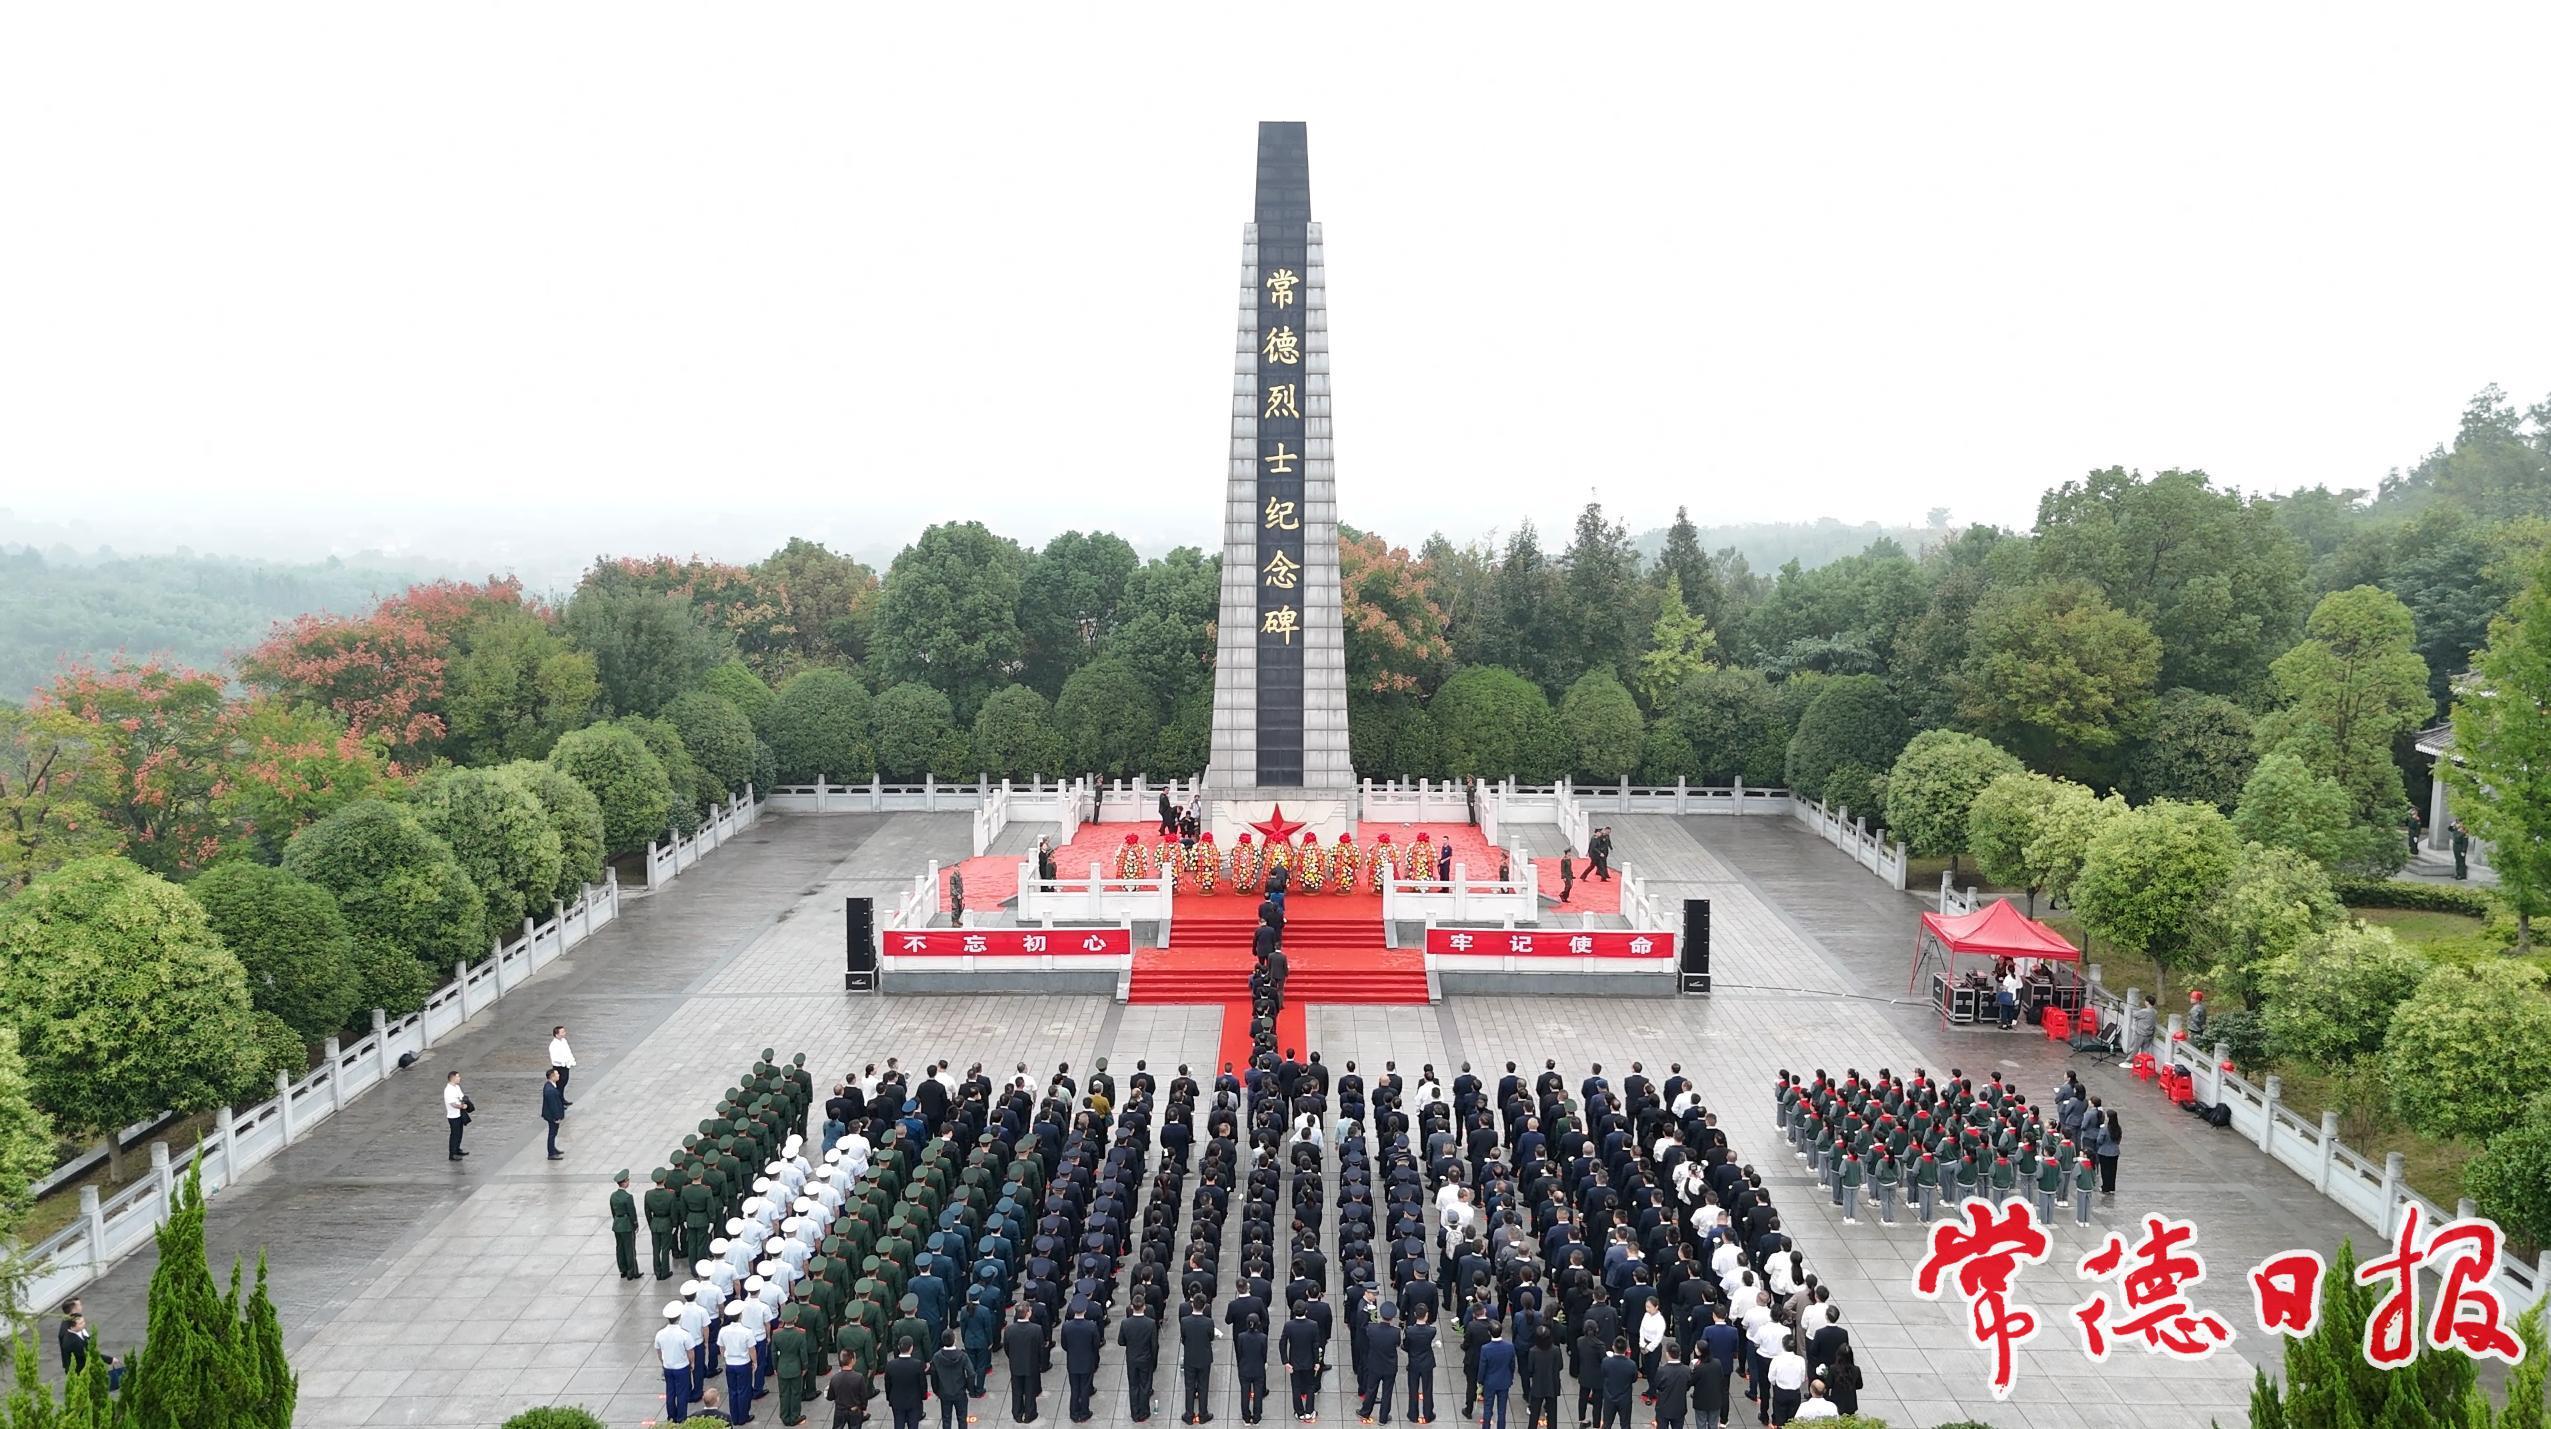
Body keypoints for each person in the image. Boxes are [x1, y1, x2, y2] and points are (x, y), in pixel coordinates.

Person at [1123, 1291, 1164, 1421]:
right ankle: (1144, 1411)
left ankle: (1135, 1413)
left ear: (1132, 1307)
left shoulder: (1125, 1323)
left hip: (1132, 1358)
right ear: (1144, 1307)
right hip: (1145, 1358)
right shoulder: (1150, 1323)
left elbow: (1121, 1341)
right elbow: (1154, 1344)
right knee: (1145, 1385)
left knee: (1133, 1386)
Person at [659, 1302, 699, 1425]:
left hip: (668, 1367)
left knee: (670, 1393)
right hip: (681, 1367)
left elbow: (658, 1351)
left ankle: (671, 1417)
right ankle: (681, 1418)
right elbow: (690, 1351)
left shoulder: (660, 1333)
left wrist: (663, 1362)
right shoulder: (684, 1334)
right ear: (679, 1317)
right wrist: (692, 1363)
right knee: (682, 1393)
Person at [1181, 1292, 1218, 1425]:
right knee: (1203, 1386)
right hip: (1204, 1358)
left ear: (1192, 1305)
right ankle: (1203, 1414)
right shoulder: (1208, 1322)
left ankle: (1189, 1414)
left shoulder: (1185, 1321)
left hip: (1190, 1357)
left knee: (1189, 1386)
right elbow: (1211, 1337)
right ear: (1204, 1306)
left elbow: (1183, 1338)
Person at [1003, 1306, 1045, 1423]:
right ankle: (1029, 1414)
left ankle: (1017, 1413)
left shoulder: (1009, 1330)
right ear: (1027, 1313)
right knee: (1030, 1391)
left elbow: (1007, 1348)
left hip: (1015, 1365)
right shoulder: (1036, 1329)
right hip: (1031, 1365)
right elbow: (1041, 1349)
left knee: (1016, 1391)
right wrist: (1039, 1362)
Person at [1061, 1304, 1101, 1423]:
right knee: (1084, 1388)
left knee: (1074, 1388)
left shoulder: (1066, 1326)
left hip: (1072, 1362)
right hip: (1087, 1362)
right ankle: (1084, 1413)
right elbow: (1096, 1344)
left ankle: (1074, 1413)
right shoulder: (1091, 1326)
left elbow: (1064, 1345)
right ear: (1085, 1310)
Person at [723, 1304, 763, 1424]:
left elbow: (721, 1347)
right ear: (740, 1316)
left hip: (730, 1364)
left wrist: (726, 1357)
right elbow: (752, 1349)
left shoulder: (723, 1331)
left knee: (732, 1391)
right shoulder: (747, 1332)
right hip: (743, 1364)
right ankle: (743, 1416)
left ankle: (734, 1417)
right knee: (744, 1391)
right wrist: (755, 1361)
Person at [1476, 1321, 1515, 1429]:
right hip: (1504, 1381)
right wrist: (1510, 1378)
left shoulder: (1485, 1349)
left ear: (1489, 1333)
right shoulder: (1510, 1347)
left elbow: (1482, 1367)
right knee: (1502, 1411)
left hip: (1490, 1383)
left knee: (1488, 1409)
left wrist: (1480, 1381)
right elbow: (1512, 1365)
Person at [933, 1330, 974, 1429]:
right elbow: (971, 1373)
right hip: (960, 1392)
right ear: (954, 1340)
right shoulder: (962, 1356)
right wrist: (969, 1388)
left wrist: (936, 1390)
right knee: (962, 1419)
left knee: (946, 1419)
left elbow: (934, 1375)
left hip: (944, 1393)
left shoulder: (937, 1357)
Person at [1763, 1333, 1806, 1427]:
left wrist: (1776, 1384)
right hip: (1795, 1393)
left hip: (1780, 1392)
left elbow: (1771, 1378)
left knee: (1780, 1420)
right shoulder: (1800, 1360)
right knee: (1792, 1421)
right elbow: (1802, 1378)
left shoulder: (1776, 1360)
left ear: (1783, 1345)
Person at [886, 1337, 929, 1429]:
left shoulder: (890, 1365)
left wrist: (889, 1398)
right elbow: (923, 1384)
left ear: (898, 1347)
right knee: (913, 1425)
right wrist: (923, 1396)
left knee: (898, 1424)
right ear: (911, 1348)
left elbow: (888, 1385)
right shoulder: (917, 1364)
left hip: (897, 1401)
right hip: (914, 1401)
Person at [1405, 1304, 1438, 1425]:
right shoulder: (1432, 1331)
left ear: (1415, 1315)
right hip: (1427, 1363)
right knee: (1427, 1388)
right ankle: (1428, 1414)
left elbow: (1406, 1345)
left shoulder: (1409, 1331)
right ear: (1426, 1315)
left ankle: (1413, 1414)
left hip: (1414, 1362)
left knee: (1413, 1389)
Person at [1523, 1326, 1560, 1429]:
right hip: (1552, 1385)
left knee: (1534, 1415)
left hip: (1538, 1385)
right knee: (1552, 1415)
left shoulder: (1533, 1351)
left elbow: (1530, 1369)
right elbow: (1559, 1366)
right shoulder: (1556, 1350)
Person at [1238, 1311, 1271, 1424]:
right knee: (1258, 1393)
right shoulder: (1263, 1337)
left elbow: (1240, 1353)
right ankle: (1257, 1416)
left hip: (1245, 1368)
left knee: (1244, 1393)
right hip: (1258, 1369)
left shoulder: (1241, 1337)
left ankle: (1246, 1416)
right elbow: (1264, 1353)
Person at [609, 1169, 642, 1279]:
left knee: (620, 1248)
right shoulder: (628, 1197)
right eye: (627, 1180)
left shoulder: (613, 1196)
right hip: (626, 1225)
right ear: (624, 1182)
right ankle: (632, 1272)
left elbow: (613, 1211)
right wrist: (635, 1224)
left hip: (617, 1224)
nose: (628, 1182)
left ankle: (623, 1270)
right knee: (630, 1249)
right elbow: (632, 1212)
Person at [1650, 1343, 1690, 1429]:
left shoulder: (1662, 1371)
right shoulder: (1686, 1370)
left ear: (1667, 1354)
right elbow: (1687, 1386)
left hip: (1663, 1408)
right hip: (1679, 1408)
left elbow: (1656, 1385)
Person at [1597, 1340, 1636, 1429]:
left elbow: (1603, 1374)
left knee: (1607, 1424)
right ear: (1626, 1349)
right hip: (1625, 1400)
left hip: (1609, 1398)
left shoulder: (1606, 1362)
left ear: (1613, 1347)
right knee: (1625, 1425)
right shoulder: (1632, 1364)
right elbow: (1634, 1379)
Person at [830, 1358, 873, 1429]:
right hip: (854, 1409)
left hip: (840, 1410)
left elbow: (830, 1396)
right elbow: (864, 1396)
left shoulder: (835, 1378)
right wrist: (863, 1407)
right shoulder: (859, 1377)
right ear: (852, 1361)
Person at [444, 1071, 472, 1160]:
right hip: (453, 1116)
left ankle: (457, 1149)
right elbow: (453, 1104)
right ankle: (452, 1154)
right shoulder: (448, 1090)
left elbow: (461, 1097)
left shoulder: (457, 1087)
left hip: (459, 1114)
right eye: (458, 1076)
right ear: (453, 1078)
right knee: (455, 1135)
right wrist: (463, 1106)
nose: (459, 1078)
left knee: (459, 1133)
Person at [2095, 1108, 2123, 1197]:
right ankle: (2111, 1187)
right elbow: (2119, 1139)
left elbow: (2099, 1140)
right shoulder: (2118, 1128)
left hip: (2104, 1152)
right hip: (2115, 1151)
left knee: (2105, 1170)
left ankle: (2105, 1187)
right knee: (2113, 1170)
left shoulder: (2104, 1129)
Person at [541, 1067, 568, 1159]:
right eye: (557, 1074)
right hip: (551, 1116)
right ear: (552, 1076)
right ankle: (551, 1153)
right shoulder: (550, 1090)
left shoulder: (550, 1086)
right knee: (552, 1133)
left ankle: (553, 1148)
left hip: (550, 1115)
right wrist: (557, 1117)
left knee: (554, 1132)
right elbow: (553, 1105)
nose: (559, 1075)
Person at [549, 1024, 576, 1104]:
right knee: (560, 1084)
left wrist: (571, 1060)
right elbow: (554, 1058)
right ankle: (559, 1101)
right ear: (557, 1034)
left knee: (564, 1082)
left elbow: (568, 1051)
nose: (564, 1033)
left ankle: (561, 1098)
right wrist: (563, 1062)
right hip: (559, 1067)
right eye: (562, 1032)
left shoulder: (564, 1041)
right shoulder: (553, 1045)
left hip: (565, 1066)